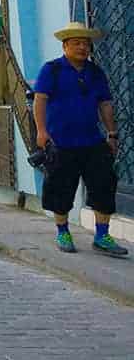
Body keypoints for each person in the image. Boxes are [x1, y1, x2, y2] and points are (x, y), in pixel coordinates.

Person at [33, 21, 127, 257]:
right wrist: (41, 131)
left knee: (103, 187)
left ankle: (102, 236)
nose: (82, 48)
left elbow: (105, 104)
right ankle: (63, 231)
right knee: (61, 190)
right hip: (61, 142)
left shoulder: (96, 73)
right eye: (76, 43)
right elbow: (40, 100)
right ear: (65, 46)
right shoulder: (51, 70)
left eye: (86, 44)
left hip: (93, 142)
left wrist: (112, 133)